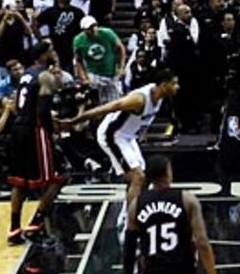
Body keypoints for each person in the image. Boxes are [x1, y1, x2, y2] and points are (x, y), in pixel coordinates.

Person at [61, 69, 181, 214]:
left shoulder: (160, 97)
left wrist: (141, 132)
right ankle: (130, 221)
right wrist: (75, 120)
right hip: (112, 135)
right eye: (174, 83)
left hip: (128, 136)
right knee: (138, 177)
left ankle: (132, 208)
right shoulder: (139, 99)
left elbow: (144, 119)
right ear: (163, 85)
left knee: (143, 178)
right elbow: (108, 107)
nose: (177, 87)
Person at [7, 41, 67, 245]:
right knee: (59, 176)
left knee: (19, 182)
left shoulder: (26, 74)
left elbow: (16, 106)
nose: (53, 53)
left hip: (17, 129)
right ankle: (36, 223)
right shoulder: (45, 76)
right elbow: (42, 112)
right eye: (50, 50)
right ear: (43, 55)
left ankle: (14, 229)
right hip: (35, 130)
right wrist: (52, 133)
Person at [73, 15, 127, 104]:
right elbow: (78, 60)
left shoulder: (107, 33)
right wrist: (84, 77)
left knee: (115, 101)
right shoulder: (78, 40)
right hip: (94, 73)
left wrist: (121, 67)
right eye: (89, 28)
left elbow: (121, 48)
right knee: (97, 101)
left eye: (94, 26)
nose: (93, 30)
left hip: (111, 72)